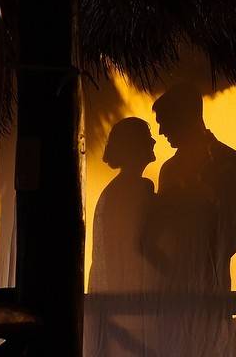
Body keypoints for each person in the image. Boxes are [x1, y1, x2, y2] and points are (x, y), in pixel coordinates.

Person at [144, 83, 236, 355]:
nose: (160, 131)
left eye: (165, 122)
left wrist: (201, 263)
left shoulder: (231, 163)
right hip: (170, 295)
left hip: (211, 289)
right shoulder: (169, 170)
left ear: (188, 117)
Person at [86, 117, 158, 357]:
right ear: (135, 146)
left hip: (118, 299)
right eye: (147, 137)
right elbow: (144, 244)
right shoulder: (139, 188)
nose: (154, 140)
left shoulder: (113, 190)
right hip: (135, 301)